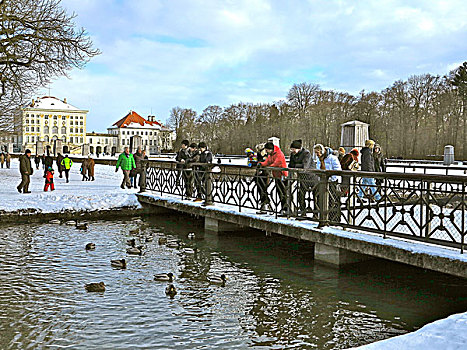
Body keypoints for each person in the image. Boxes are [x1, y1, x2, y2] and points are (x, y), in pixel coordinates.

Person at [258, 142, 288, 215]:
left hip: (282, 175)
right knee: (279, 191)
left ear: (270, 149)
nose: (266, 152)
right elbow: (267, 162)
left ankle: (286, 209)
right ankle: (283, 209)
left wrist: (268, 167)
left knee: (283, 192)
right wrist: (261, 164)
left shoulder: (279, 154)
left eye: (267, 150)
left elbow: (276, 163)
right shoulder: (271, 155)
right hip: (276, 175)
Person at [314, 144, 342, 222]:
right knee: (323, 200)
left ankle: (335, 219)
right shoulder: (319, 159)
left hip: (333, 182)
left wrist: (331, 178)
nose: (317, 155)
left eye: (318, 152)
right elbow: (318, 168)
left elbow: (337, 170)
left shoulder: (332, 158)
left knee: (333, 201)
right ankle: (324, 218)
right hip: (323, 182)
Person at [289, 139, 314, 218]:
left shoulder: (306, 153)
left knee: (315, 196)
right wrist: (297, 165)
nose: (292, 151)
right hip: (302, 177)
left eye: (293, 149)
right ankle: (303, 211)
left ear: (298, 148)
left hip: (312, 176)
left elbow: (305, 166)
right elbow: (290, 165)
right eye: (291, 149)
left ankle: (316, 214)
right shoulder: (293, 155)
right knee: (300, 194)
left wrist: (296, 165)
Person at [255, 143, 271, 213]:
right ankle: (266, 204)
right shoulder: (259, 155)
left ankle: (266, 205)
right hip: (260, 174)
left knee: (263, 190)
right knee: (261, 189)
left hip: (265, 174)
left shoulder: (266, 155)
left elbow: (266, 163)